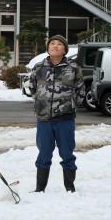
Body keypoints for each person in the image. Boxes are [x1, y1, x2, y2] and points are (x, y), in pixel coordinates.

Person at [26, 35, 80, 193]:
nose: (55, 46)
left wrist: (70, 106)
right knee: (43, 154)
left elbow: (80, 90)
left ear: (64, 49)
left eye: (59, 44)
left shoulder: (73, 68)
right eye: (52, 43)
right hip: (44, 119)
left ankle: (70, 187)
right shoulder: (39, 67)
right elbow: (33, 88)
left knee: (67, 154)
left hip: (65, 119)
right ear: (48, 47)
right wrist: (40, 104)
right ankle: (39, 188)